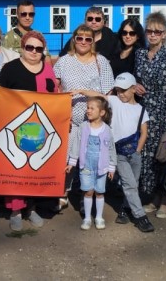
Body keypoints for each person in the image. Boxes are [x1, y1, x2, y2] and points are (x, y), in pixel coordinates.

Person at [0, 30, 59, 230]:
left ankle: (31, 208)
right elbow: (1, 97)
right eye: (30, 47)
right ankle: (15, 210)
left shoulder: (47, 69)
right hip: (16, 128)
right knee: (16, 169)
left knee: (35, 170)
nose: (34, 51)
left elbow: (54, 96)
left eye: (38, 49)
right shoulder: (10, 68)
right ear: (23, 48)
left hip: (40, 129)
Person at [54, 24, 115, 209]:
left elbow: (108, 94)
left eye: (88, 39)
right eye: (79, 38)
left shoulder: (101, 61)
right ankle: (63, 193)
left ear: (92, 42)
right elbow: (55, 87)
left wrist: (85, 92)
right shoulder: (64, 61)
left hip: (93, 122)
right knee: (68, 158)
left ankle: (85, 196)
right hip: (70, 121)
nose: (83, 42)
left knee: (90, 161)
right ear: (74, 39)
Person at [135, 12, 166, 219]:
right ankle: (154, 196)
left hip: (165, 111)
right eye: (149, 31)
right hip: (145, 112)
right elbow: (136, 79)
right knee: (148, 156)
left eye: (157, 31)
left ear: (164, 34)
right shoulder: (139, 54)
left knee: (165, 155)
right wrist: (135, 86)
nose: (153, 35)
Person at [107, 73, 155, 233]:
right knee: (130, 185)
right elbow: (97, 96)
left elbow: (144, 133)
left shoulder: (141, 110)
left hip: (135, 154)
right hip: (119, 154)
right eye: (117, 90)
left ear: (134, 89)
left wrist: (138, 151)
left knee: (133, 183)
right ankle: (141, 217)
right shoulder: (114, 101)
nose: (120, 94)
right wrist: (80, 90)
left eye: (124, 90)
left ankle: (124, 210)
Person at [65, 96, 116, 231]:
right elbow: (76, 145)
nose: (88, 110)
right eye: (87, 108)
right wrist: (72, 162)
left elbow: (111, 148)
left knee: (99, 192)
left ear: (102, 112)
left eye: (92, 108)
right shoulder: (83, 127)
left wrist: (112, 167)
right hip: (86, 166)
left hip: (102, 167)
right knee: (88, 192)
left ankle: (99, 217)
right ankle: (87, 218)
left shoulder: (107, 129)